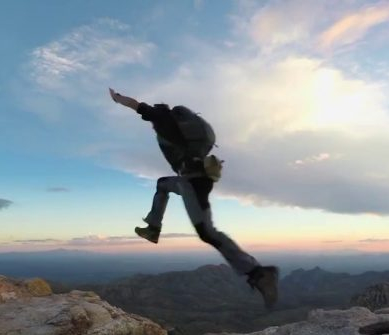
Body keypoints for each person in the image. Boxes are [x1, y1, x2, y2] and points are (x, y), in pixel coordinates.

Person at [109, 88, 279, 308]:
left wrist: (118, 98)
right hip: (196, 178)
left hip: (192, 180)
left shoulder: (162, 118)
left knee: (207, 232)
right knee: (163, 184)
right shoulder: (188, 128)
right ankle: (153, 228)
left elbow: (136, 105)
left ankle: (259, 273)